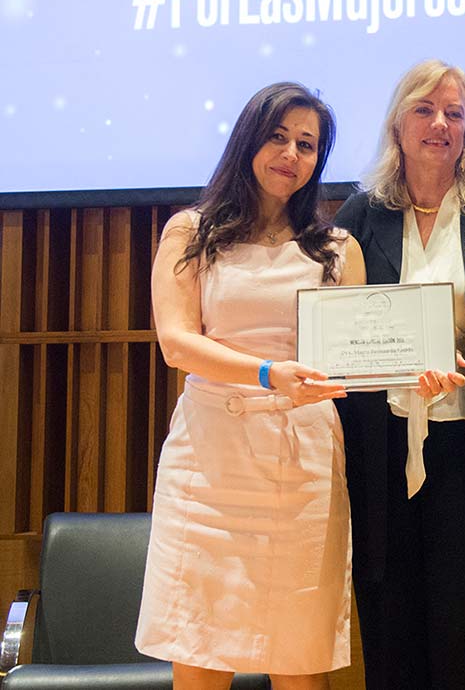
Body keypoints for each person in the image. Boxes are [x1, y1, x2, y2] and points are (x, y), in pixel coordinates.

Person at [135, 82, 368, 689]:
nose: (291, 154)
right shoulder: (190, 232)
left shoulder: (338, 248)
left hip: (304, 460)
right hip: (210, 460)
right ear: (248, 140)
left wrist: (417, 372)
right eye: (278, 137)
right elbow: (177, 343)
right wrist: (268, 374)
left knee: (300, 656)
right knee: (200, 651)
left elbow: (358, 353)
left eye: (307, 145)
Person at [332, 59, 465, 689]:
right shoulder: (359, 216)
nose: (440, 123)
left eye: (455, 113)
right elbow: (338, 337)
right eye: (424, 110)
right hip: (380, 456)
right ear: (398, 125)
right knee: (390, 642)